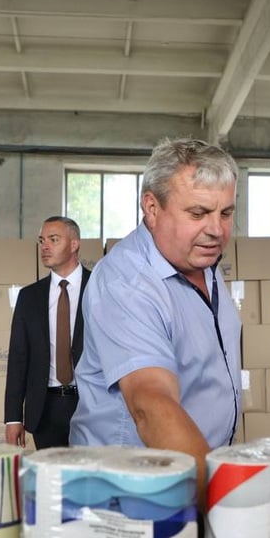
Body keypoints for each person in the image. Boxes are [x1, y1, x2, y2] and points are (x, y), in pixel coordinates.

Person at [69, 138, 242, 498]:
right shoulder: (127, 282)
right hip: (131, 492)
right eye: (198, 213)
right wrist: (225, 503)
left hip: (193, 475)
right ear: (151, 207)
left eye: (225, 213)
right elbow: (151, 405)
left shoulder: (202, 261)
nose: (216, 230)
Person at [3, 216, 90, 449]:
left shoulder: (99, 288)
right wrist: (13, 418)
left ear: (74, 244)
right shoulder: (29, 297)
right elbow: (18, 358)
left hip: (91, 404)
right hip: (45, 409)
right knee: (49, 471)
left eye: (54, 239)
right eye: (42, 241)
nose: (45, 247)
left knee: (90, 470)